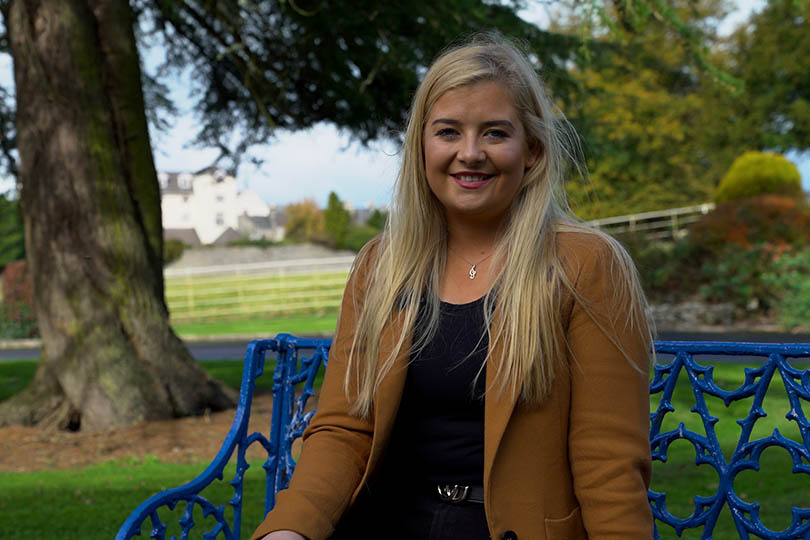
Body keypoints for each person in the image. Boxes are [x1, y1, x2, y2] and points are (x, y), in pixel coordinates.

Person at [253, 33, 653, 540]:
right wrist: (289, 531)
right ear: (422, 146)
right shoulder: (382, 266)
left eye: (494, 133)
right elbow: (345, 429)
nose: (470, 153)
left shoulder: (584, 266)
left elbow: (609, 465)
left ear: (530, 149)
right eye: (448, 132)